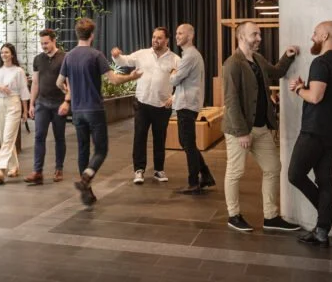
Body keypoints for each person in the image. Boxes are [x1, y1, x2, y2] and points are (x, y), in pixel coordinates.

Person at [222, 20, 300, 233]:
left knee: (273, 168)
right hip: (240, 130)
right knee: (235, 172)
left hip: (261, 127)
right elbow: (231, 101)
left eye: (259, 34)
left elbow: (276, 72)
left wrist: (287, 56)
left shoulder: (257, 58)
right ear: (241, 37)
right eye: (254, 34)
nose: (259, 38)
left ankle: (271, 216)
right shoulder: (232, 63)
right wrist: (241, 132)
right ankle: (233, 215)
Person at [57, 17, 142, 206]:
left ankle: (86, 191)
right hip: (94, 109)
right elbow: (113, 80)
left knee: (83, 150)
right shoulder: (96, 55)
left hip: (77, 111)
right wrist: (131, 76)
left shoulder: (69, 56)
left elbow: (58, 82)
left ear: (77, 34)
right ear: (92, 35)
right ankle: (86, 177)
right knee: (101, 149)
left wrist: (70, 92)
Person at [288, 20, 332, 248]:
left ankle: (327, 214)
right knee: (324, 179)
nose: (312, 37)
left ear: (325, 36)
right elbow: (323, 93)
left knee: (295, 174)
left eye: (315, 33)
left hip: (314, 132)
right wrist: (307, 88)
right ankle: (322, 229)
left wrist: (298, 89)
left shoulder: (320, 61)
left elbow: (315, 97)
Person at [112, 26, 180, 184]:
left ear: (167, 40)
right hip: (142, 103)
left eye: (159, 38)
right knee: (139, 137)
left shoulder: (175, 59)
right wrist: (116, 56)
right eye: (154, 37)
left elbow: (184, 82)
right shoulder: (142, 54)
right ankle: (139, 170)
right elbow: (125, 60)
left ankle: (159, 170)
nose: (155, 40)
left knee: (159, 138)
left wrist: (174, 97)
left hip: (162, 106)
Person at [170, 23, 215, 195]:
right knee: (187, 142)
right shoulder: (191, 55)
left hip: (187, 104)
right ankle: (205, 175)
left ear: (190, 35)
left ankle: (193, 182)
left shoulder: (189, 56)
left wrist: (172, 74)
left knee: (187, 143)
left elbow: (174, 80)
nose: (177, 36)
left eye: (181, 33)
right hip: (188, 103)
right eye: (176, 33)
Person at [25, 28, 67, 185]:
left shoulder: (64, 58)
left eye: (46, 43)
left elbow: (68, 82)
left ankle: (59, 169)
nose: (44, 46)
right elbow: (35, 82)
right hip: (41, 103)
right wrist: (31, 103)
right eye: (42, 43)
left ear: (54, 41)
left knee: (59, 137)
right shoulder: (38, 59)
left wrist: (67, 101)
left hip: (58, 103)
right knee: (39, 137)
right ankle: (37, 171)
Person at [0, 43, 30, 184]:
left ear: (12, 54)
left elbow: (24, 92)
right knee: (4, 138)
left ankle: (0, 168)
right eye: (2, 53)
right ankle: (14, 166)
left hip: (14, 103)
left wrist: (25, 110)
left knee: (8, 137)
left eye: (6, 52)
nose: (4, 55)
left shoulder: (18, 71)